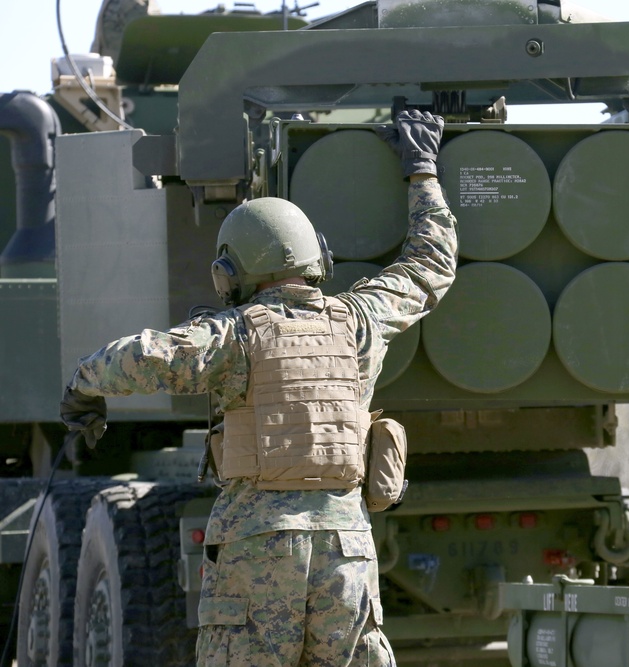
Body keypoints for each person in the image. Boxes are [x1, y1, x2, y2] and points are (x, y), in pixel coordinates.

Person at [59, 110, 457, 666]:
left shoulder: (233, 335)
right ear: (317, 256)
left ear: (231, 271)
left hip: (256, 549)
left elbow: (143, 356)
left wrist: (84, 387)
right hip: (346, 548)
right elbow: (430, 263)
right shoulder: (361, 321)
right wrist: (422, 169)